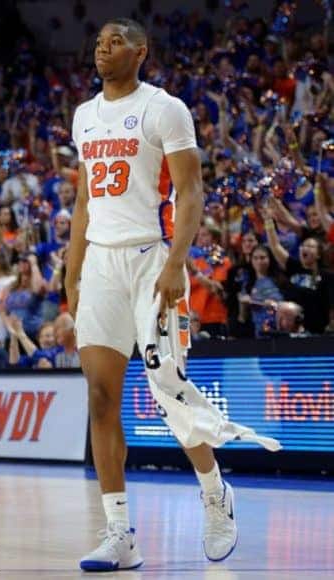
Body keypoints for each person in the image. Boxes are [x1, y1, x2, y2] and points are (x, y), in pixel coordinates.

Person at [65, 19, 280, 572]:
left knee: (168, 389)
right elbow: (85, 203)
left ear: (141, 51)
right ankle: (119, 534)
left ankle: (215, 493)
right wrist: (73, 270)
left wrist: (177, 262)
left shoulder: (165, 108)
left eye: (116, 41)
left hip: (150, 258)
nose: (103, 48)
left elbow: (190, 192)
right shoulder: (84, 116)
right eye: (99, 42)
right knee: (101, 396)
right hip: (101, 266)